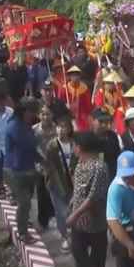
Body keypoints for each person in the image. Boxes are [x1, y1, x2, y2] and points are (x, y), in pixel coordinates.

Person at [67, 132, 108, 267]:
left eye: (74, 146)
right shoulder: (80, 164)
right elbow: (79, 189)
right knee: (78, 254)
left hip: (95, 222)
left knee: (97, 257)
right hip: (79, 222)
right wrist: (73, 200)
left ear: (80, 147)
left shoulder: (99, 167)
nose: (73, 149)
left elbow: (93, 196)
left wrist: (75, 214)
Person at [4, 97, 41, 244]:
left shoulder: (26, 125)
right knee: (24, 202)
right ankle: (22, 233)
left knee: (26, 202)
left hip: (27, 169)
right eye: (32, 112)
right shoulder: (14, 126)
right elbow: (28, 146)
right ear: (24, 111)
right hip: (15, 170)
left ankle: (23, 222)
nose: (34, 115)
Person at [43, 108, 77, 252]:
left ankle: (75, 236)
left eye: (65, 126)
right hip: (57, 185)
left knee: (74, 211)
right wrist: (62, 190)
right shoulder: (52, 146)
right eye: (59, 126)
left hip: (73, 183)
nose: (62, 130)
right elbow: (52, 170)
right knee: (62, 212)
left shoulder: (75, 144)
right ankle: (65, 237)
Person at [33, 104, 56, 230]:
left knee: (54, 193)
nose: (45, 117)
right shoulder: (34, 130)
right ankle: (43, 221)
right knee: (41, 194)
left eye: (48, 114)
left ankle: (54, 215)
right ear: (39, 115)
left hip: (54, 168)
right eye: (43, 114)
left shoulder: (57, 130)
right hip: (40, 167)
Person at [58, 65, 93, 131]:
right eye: (73, 75)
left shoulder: (84, 88)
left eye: (77, 75)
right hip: (68, 116)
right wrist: (65, 106)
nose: (75, 77)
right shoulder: (64, 88)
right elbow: (59, 103)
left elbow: (88, 106)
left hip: (81, 117)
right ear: (70, 76)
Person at [91, 107, 121, 179]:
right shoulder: (89, 139)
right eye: (101, 121)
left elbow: (118, 155)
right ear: (93, 121)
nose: (104, 125)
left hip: (114, 175)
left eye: (107, 121)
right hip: (97, 179)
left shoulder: (112, 136)